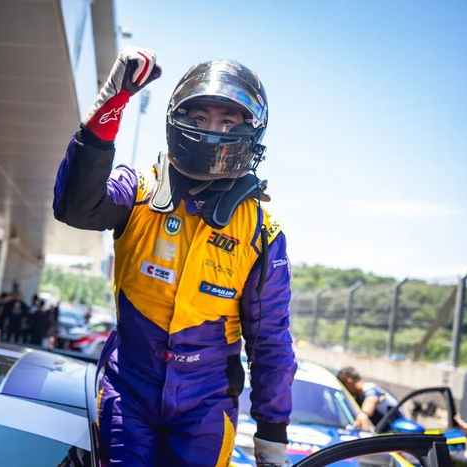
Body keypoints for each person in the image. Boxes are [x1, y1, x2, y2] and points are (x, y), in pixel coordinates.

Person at [53, 46, 295, 466]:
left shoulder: (262, 231)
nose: (212, 131)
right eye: (199, 118)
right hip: (129, 389)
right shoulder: (139, 190)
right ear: (176, 122)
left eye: (227, 121)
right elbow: (76, 207)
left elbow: (270, 341)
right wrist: (112, 102)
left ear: (250, 131)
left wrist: (272, 439)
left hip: (206, 405)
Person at [337, 366, 403, 432]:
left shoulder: (370, 388)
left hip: (400, 433)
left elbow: (371, 399)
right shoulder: (358, 398)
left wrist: (364, 414)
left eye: (344, 387)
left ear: (349, 381)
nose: (345, 391)